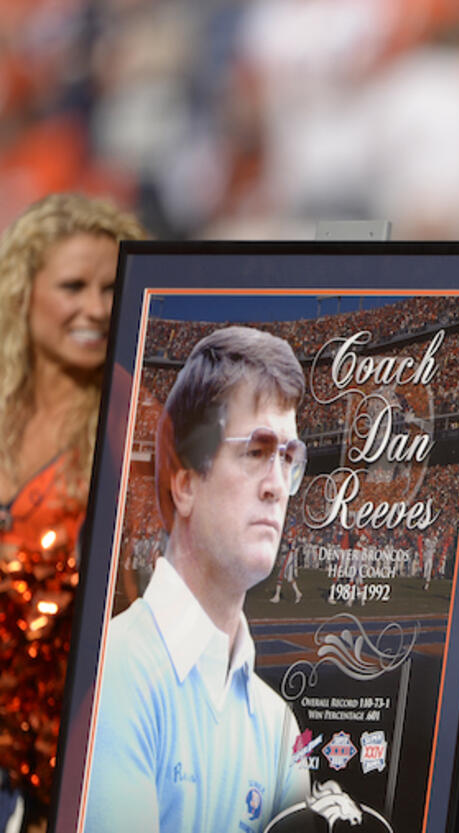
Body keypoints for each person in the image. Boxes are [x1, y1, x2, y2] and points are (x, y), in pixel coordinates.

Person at [84, 326, 311, 833]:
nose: (278, 485)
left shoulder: (279, 729)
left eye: (289, 458)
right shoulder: (108, 675)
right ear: (184, 483)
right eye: (256, 451)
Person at [0, 193, 146, 824]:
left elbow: (148, 613)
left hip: (74, 762)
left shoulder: (136, 417)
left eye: (111, 287)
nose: (94, 307)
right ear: (23, 292)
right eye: (73, 285)